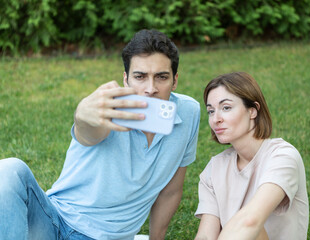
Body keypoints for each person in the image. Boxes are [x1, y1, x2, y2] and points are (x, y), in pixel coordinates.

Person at [0, 29, 200, 240]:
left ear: (175, 81)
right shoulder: (106, 110)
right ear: (126, 79)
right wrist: (82, 114)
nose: (150, 88)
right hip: (53, 220)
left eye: (161, 77)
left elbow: (170, 191)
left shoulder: (189, 114)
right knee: (9, 169)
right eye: (140, 77)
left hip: (103, 236)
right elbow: (87, 132)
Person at [194, 72, 309, 240]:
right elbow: (206, 235)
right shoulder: (214, 169)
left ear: (252, 111)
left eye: (226, 108)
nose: (215, 119)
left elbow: (250, 222)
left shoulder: (283, 157)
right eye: (211, 111)